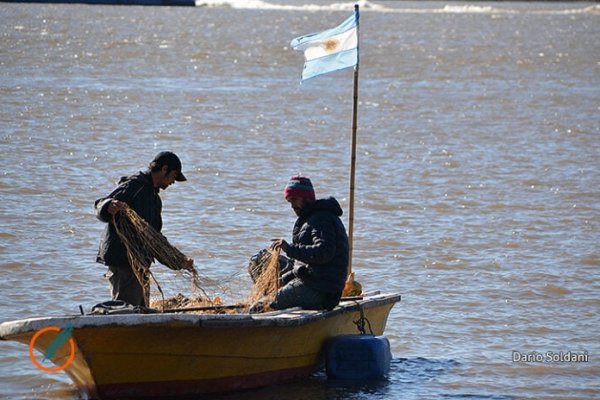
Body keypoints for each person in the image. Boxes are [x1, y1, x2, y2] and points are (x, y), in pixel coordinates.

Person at [94, 151, 194, 307]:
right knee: (126, 312)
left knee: (141, 311)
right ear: (164, 169)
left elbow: (154, 239)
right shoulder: (134, 185)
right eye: (174, 176)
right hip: (123, 264)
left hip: (140, 266)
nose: (173, 182)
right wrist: (108, 206)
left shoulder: (155, 200)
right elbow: (100, 204)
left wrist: (179, 261)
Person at [267, 175, 349, 311]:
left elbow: (324, 252)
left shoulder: (321, 219)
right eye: (289, 201)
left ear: (307, 198)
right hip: (312, 280)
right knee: (259, 261)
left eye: (294, 200)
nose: (292, 206)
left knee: (268, 302)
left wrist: (289, 248)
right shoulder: (309, 218)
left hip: (323, 290)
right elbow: (305, 264)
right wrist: (284, 278)